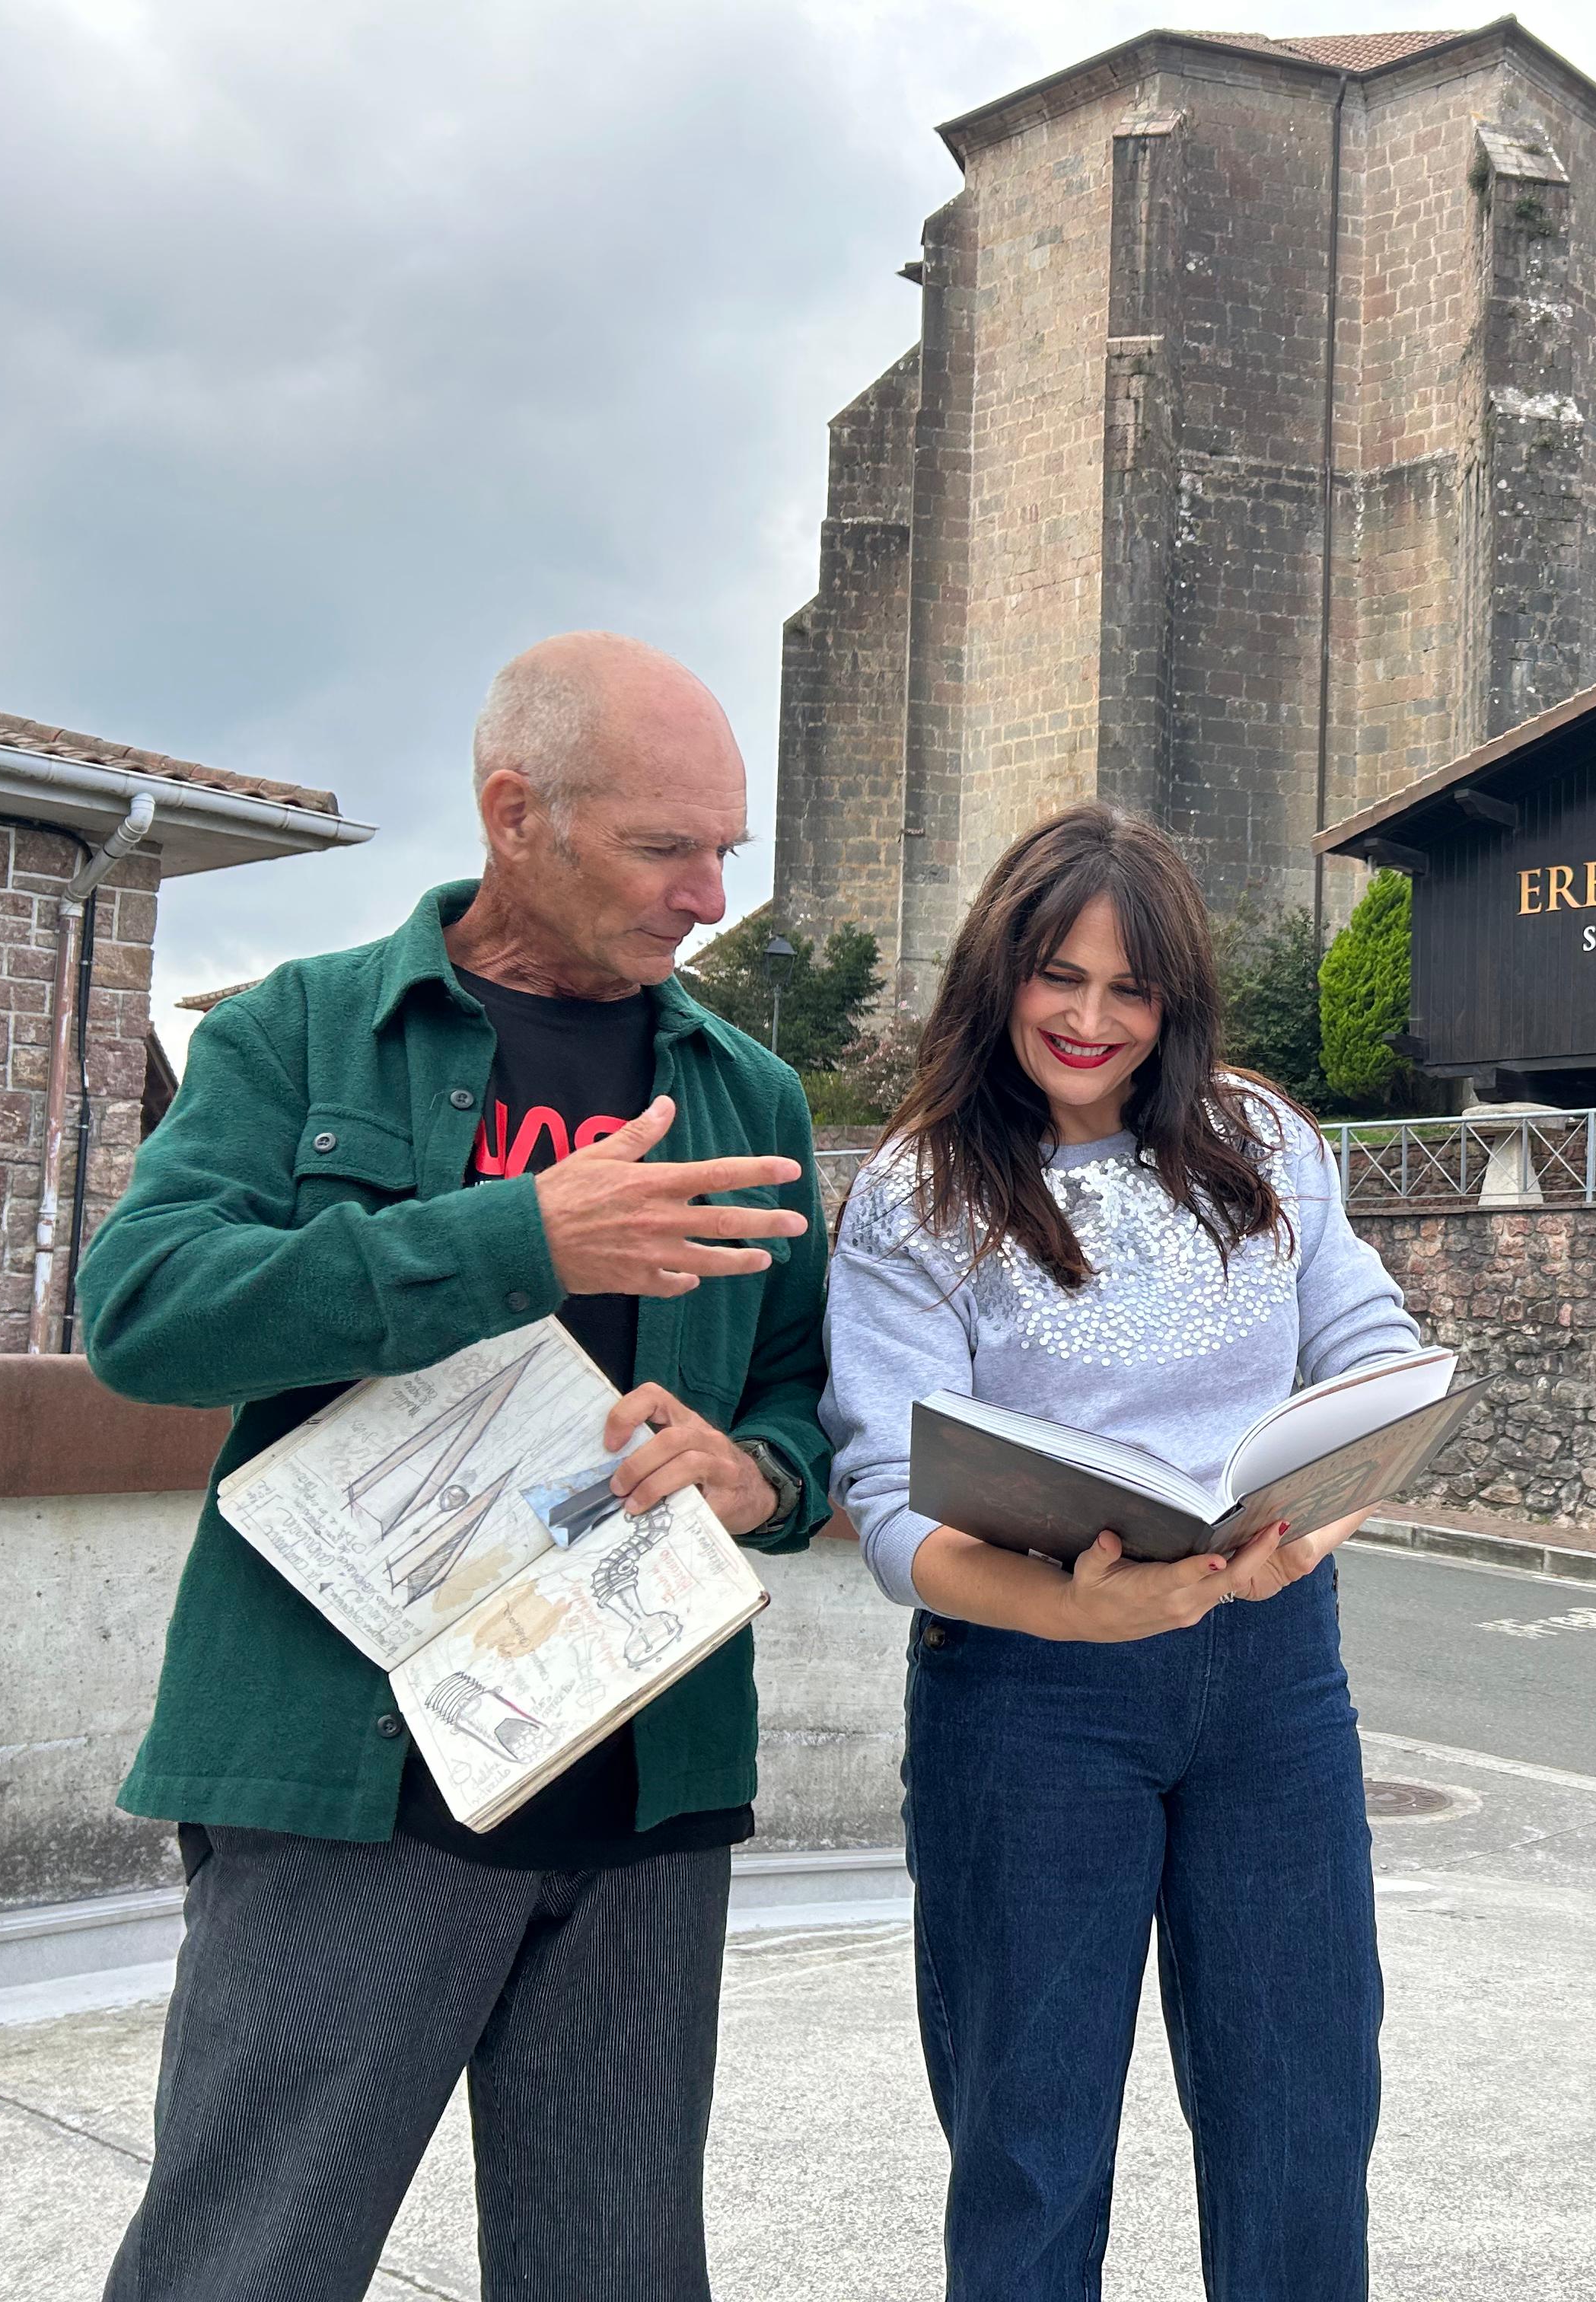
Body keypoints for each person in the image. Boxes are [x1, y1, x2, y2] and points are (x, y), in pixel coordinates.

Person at [82, 633, 833, 2302]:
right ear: (516, 814)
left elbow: (801, 1403)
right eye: (664, 847)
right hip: (352, 1789)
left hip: (648, 1787)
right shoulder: (303, 1035)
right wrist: (512, 1236)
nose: (709, 892)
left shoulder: (750, 1094)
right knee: (248, 2262)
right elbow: (141, 1316)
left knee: (618, 2275)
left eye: (728, 848)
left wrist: (757, 1475)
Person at [820, 803, 1416, 2300]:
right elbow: (892, 1508)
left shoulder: (1263, 1142)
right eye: (1058, 977)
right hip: (1030, 1688)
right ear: (998, 973)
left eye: (1131, 988)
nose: (1090, 1020)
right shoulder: (919, 1194)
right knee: (1031, 2140)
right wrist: (1075, 1615)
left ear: (1176, 1000)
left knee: (1306, 2112)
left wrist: (1324, 1507)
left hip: (1274, 1669)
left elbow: (1369, 1346)